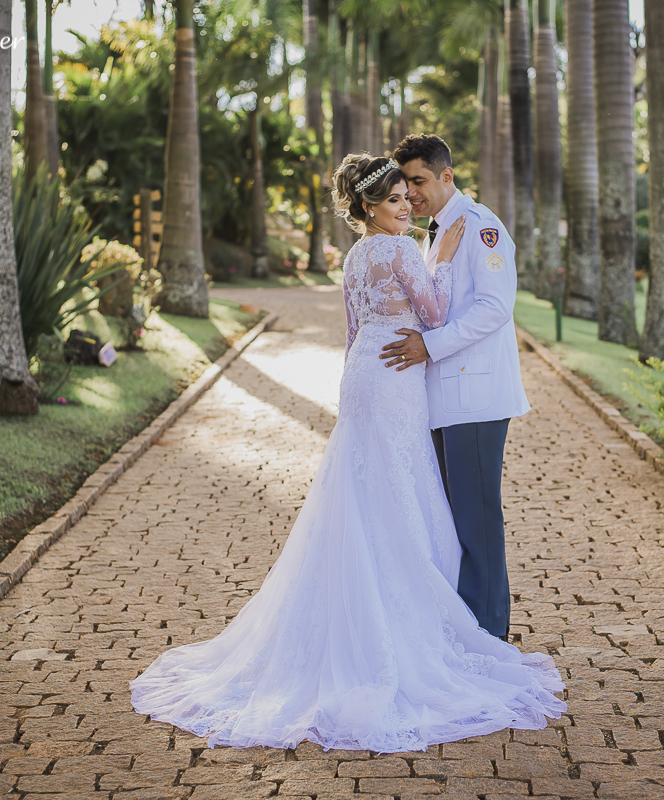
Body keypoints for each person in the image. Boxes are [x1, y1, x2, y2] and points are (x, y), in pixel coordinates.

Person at [129, 153, 565, 753]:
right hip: (397, 378)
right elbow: (434, 313)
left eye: (408, 193)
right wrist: (435, 261)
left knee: (363, 490)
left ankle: (389, 616)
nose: (406, 204)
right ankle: (421, 626)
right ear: (368, 206)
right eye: (394, 198)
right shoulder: (408, 248)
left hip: (364, 377)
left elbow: (354, 330)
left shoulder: (356, 256)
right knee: (403, 490)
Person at [382, 134, 527, 642]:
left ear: (447, 176)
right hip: (445, 400)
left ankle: (490, 633)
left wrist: (429, 346)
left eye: (419, 182)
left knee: (477, 516)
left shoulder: (481, 227)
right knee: (454, 519)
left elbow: (495, 307)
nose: (413, 194)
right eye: (406, 185)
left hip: (476, 400)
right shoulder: (435, 233)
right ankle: (469, 628)